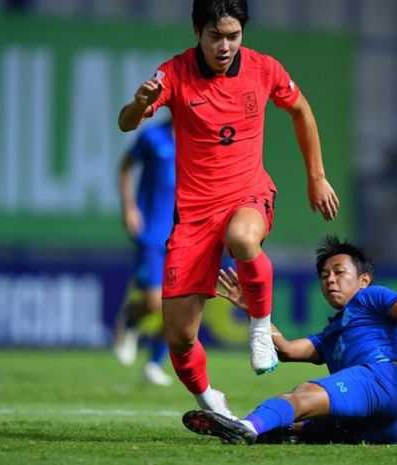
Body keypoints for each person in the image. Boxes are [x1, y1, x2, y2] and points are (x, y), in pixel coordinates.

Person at [117, 0, 339, 418]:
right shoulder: (174, 73)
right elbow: (126, 123)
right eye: (216, 36)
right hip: (194, 215)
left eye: (233, 36)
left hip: (247, 194)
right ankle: (209, 400)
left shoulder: (264, 68)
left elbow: (301, 110)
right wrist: (137, 104)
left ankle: (260, 329)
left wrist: (316, 176)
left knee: (242, 237)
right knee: (179, 337)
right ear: (197, 32)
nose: (225, 46)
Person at [182, 235, 397, 445]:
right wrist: (253, 309)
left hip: (382, 377)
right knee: (304, 426)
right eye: (325, 275)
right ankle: (281, 432)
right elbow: (288, 350)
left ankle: (248, 426)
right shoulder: (330, 335)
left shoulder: (370, 296)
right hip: (387, 426)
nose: (330, 280)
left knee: (302, 393)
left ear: (364, 280)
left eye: (340, 272)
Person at [113, 118, 176, 386]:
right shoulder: (153, 136)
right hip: (151, 230)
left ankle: (153, 363)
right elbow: (125, 166)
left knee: (178, 309)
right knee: (154, 301)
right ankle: (130, 317)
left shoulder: (201, 135)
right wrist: (129, 207)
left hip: (183, 233)